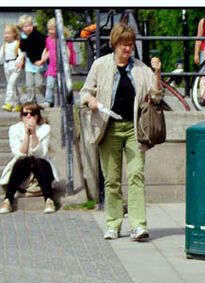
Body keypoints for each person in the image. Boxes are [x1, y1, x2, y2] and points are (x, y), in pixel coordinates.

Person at [80, 22, 163, 241]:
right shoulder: (100, 65)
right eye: (123, 44)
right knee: (111, 179)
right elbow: (84, 92)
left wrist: (157, 73)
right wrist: (90, 101)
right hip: (108, 127)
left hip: (134, 128)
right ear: (114, 44)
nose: (127, 49)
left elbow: (156, 97)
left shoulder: (140, 69)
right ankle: (113, 223)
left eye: (130, 45)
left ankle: (138, 225)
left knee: (136, 175)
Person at [0, 101, 58, 215]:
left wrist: (33, 134)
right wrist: (27, 135)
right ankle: (7, 200)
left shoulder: (45, 129)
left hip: (40, 167)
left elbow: (41, 153)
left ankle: (49, 200)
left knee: (39, 162)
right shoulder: (14, 129)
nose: (29, 116)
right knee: (21, 162)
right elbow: (19, 153)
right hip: (23, 168)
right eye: (25, 114)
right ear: (22, 116)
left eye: (32, 113)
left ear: (37, 116)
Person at [42, 17, 77, 107]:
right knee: (49, 85)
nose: (50, 31)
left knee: (64, 85)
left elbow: (68, 51)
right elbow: (48, 51)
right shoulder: (49, 39)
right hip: (52, 66)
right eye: (49, 29)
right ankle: (48, 101)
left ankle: (68, 101)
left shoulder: (64, 39)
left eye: (52, 29)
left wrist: (67, 61)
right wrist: (42, 60)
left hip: (63, 66)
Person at [0, 23, 23, 112]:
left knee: (10, 85)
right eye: (5, 33)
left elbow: (21, 54)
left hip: (15, 66)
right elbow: (0, 55)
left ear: (14, 34)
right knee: (12, 86)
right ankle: (18, 103)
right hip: (7, 66)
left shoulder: (17, 44)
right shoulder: (4, 45)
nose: (6, 35)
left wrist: (19, 61)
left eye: (8, 33)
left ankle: (8, 103)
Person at [17, 14, 47, 103]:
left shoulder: (38, 35)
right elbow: (22, 50)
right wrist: (20, 60)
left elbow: (45, 45)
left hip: (39, 63)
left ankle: (48, 97)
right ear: (22, 28)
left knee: (39, 84)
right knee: (29, 85)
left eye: (30, 25)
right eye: (26, 26)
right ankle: (31, 102)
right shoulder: (23, 37)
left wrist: (43, 59)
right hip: (29, 64)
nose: (28, 28)